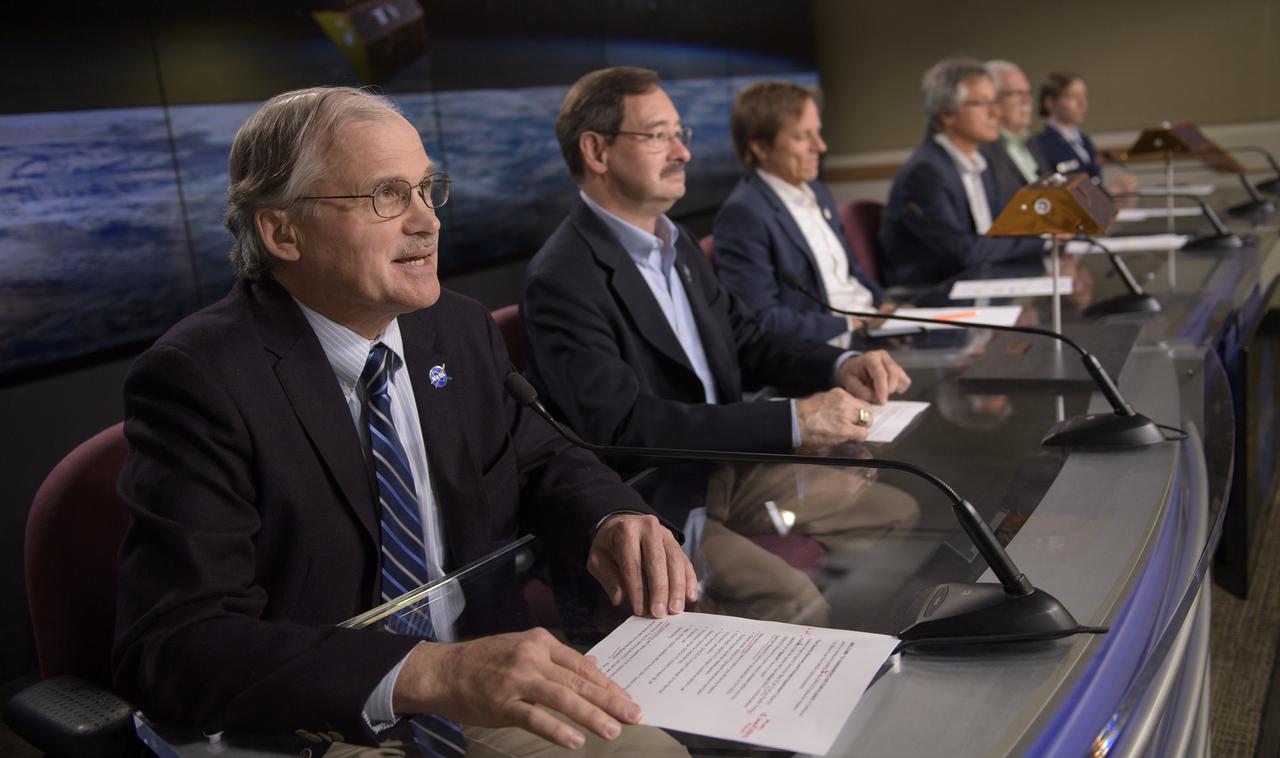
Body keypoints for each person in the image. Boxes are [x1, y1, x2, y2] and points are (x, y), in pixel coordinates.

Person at [112, 86, 696, 756]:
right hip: (317, 722)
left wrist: (611, 517)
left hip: (479, 676)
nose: (427, 221)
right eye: (387, 196)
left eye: (426, 189)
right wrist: (428, 672)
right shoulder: (199, 380)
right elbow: (175, 643)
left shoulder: (456, 327)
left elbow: (541, 456)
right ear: (282, 232)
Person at [520, 67, 910, 477]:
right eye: (658, 136)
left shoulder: (678, 242)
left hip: (733, 467)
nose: (682, 153)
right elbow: (621, 429)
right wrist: (793, 421)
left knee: (898, 493)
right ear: (597, 152)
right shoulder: (561, 281)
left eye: (679, 134)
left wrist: (841, 365)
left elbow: (748, 343)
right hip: (661, 493)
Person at [712, 81, 891, 346]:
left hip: (872, 328)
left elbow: (850, 272)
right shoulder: (743, 214)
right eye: (801, 136)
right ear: (760, 147)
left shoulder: (818, 191)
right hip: (829, 346)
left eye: (817, 132)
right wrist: (850, 323)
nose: (820, 146)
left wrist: (884, 304)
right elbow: (761, 318)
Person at [878, 57, 1048, 291]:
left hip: (982, 282)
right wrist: (1043, 240)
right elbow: (964, 251)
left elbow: (999, 232)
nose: (995, 113)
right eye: (981, 103)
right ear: (947, 113)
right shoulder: (926, 173)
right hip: (931, 293)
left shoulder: (981, 163)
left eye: (995, 102)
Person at [1033, 71, 1139, 196]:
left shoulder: (1084, 141)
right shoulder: (1041, 145)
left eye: (1084, 96)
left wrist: (1117, 193)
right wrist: (1110, 193)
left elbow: (1094, 183)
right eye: (1073, 96)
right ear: (1050, 102)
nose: (1082, 103)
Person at [980, 60, 1049, 205]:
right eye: (1018, 93)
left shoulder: (1032, 143)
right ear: (993, 99)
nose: (1027, 100)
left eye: (1028, 93)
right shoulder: (982, 150)